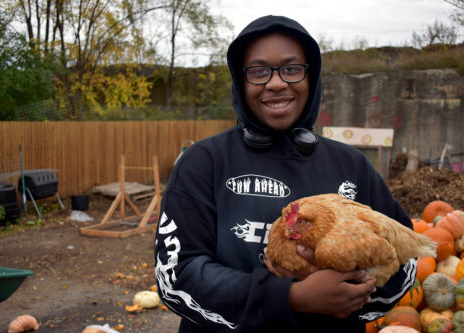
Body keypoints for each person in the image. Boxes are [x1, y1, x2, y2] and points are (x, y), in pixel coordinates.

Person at [154, 15, 415, 333]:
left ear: (310, 77)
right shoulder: (202, 163)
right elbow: (177, 276)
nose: (276, 83)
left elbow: (406, 257)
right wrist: (291, 298)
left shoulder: (352, 166)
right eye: (259, 71)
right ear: (241, 80)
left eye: (291, 69)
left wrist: (347, 290)